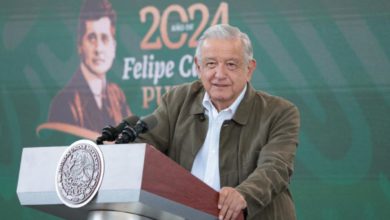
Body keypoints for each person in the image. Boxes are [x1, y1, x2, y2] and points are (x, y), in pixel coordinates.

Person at [138, 24, 300, 220]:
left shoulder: (280, 113)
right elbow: (144, 140)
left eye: (231, 64)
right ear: (199, 67)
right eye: (211, 64)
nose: (220, 74)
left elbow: (275, 167)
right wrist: (119, 149)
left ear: (249, 69)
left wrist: (243, 194)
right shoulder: (178, 101)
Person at [38, 0, 131, 140]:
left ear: (114, 46)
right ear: (80, 45)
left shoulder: (117, 96)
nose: (98, 49)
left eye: (105, 38)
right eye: (92, 38)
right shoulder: (64, 103)